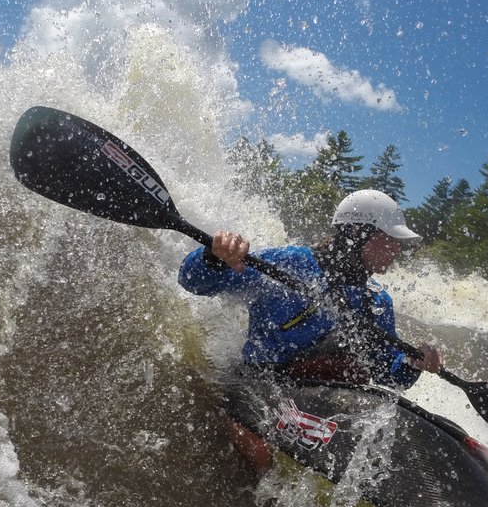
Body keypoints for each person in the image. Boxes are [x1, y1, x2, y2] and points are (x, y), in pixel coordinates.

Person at [179, 189, 442, 469]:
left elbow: (387, 374)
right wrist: (214, 256)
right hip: (257, 389)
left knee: (359, 388)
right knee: (260, 457)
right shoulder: (291, 263)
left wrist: (413, 363)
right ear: (358, 234)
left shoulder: (376, 302)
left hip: (315, 403)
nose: (397, 249)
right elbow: (193, 282)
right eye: (389, 240)